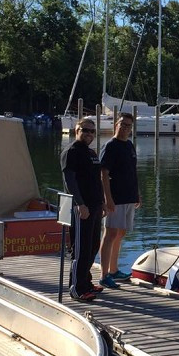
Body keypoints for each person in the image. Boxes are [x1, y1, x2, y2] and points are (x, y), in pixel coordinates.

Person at [61, 120, 105, 301]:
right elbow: (69, 180)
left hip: (95, 206)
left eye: (92, 131)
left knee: (93, 246)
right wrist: (80, 204)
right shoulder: (71, 152)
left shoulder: (91, 153)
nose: (89, 133)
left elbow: (97, 179)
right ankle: (76, 289)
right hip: (81, 207)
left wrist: (102, 202)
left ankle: (86, 282)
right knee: (80, 249)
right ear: (76, 130)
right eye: (85, 130)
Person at [98, 113, 141, 290]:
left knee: (121, 233)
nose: (125, 128)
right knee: (110, 233)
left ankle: (114, 269)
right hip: (115, 198)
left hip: (129, 196)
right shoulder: (110, 146)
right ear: (116, 124)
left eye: (129, 126)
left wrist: (137, 194)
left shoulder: (129, 145)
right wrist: (107, 199)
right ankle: (103, 275)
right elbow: (103, 174)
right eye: (122, 124)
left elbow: (132, 171)